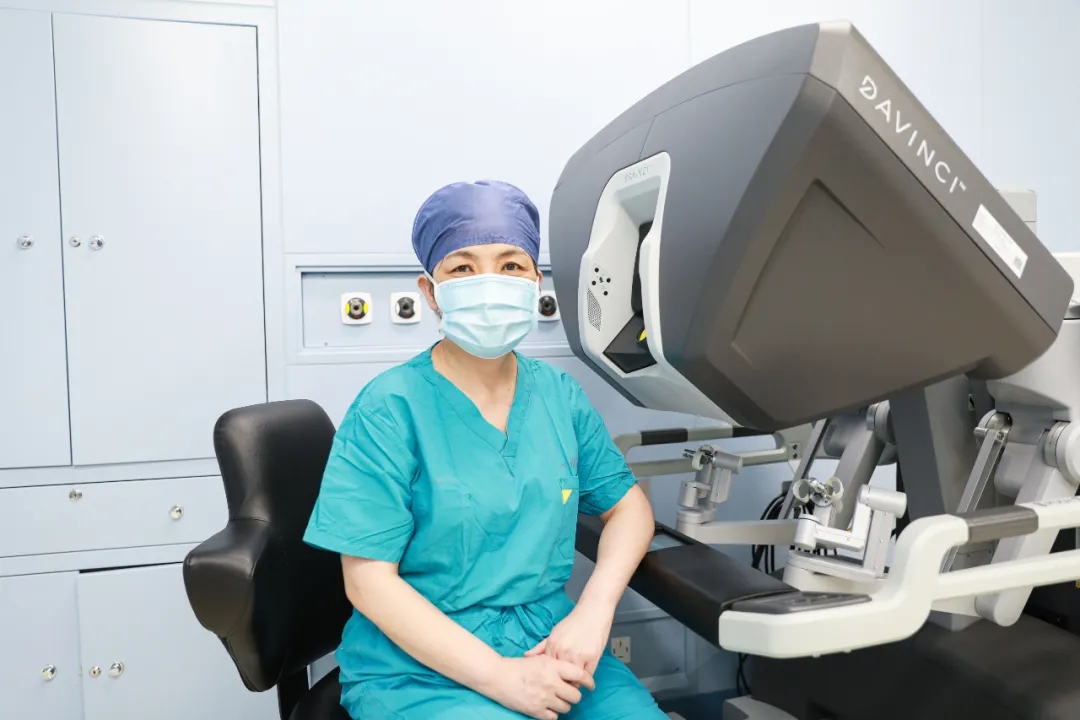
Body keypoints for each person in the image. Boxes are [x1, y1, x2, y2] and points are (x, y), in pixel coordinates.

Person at [303, 180, 667, 720]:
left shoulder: (559, 396)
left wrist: (595, 609)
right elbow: (367, 581)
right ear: (431, 292)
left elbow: (628, 508)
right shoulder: (389, 408)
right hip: (420, 664)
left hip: (549, 642)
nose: (490, 282)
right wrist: (501, 678)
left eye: (511, 265)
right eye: (463, 268)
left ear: (535, 282)